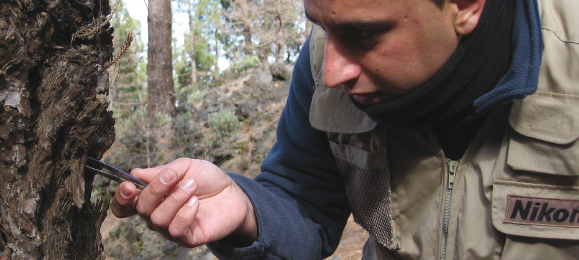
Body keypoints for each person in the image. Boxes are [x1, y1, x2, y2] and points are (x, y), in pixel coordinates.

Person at [112, 0, 579, 258]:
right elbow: (305, 203)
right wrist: (245, 213)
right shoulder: (323, 60)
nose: (332, 71)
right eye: (318, 25)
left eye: (364, 35)